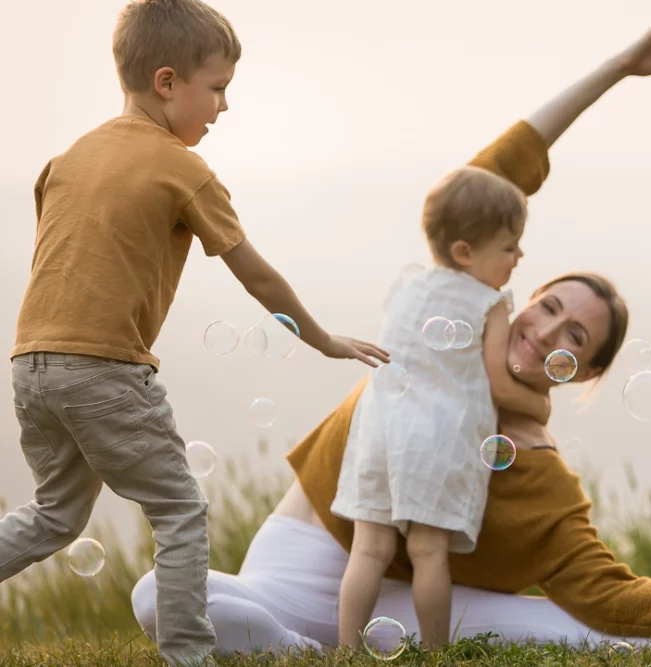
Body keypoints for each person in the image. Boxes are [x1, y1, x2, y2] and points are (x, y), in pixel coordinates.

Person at [133, 7, 651, 655]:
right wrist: (619, 68)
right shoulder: (447, 324)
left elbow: (610, 592)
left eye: (577, 339)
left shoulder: (538, 475)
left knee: (577, 625)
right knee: (154, 593)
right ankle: (300, 646)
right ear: (507, 292)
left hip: (410, 604)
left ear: (582, 374)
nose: (548, 330)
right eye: (549, 305)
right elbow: (486, 182)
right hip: (301, 559)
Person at [2, 1, 388, 666]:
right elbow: (256, 274)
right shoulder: (183, 168)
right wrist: (323, 338)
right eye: (218, 89)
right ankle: (189, 655)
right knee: (180, 512)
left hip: (31, 365)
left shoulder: (64, 160)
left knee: (56, 515)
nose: (224, 107)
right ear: (167, 82)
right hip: (105, 371)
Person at [332, 148, 555, 649]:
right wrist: (539, 405)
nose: (518, 257)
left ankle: (346, 651)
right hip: (439, 438)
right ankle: (437, 653)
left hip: (380, 431)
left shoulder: (410, 283)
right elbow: (500, 382)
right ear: (463, 253)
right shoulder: (490, 300)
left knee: (368, 549)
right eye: (509, 247)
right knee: (429, 550)